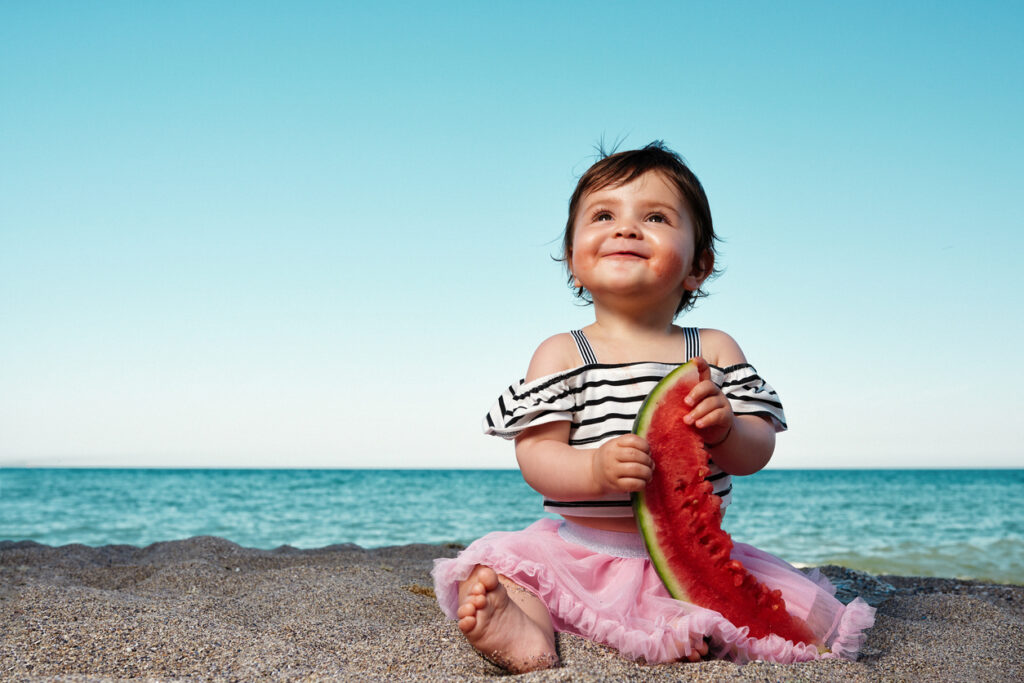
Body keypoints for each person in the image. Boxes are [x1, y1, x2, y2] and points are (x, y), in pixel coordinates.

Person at [431, 142, 875, 672]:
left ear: (698, 267)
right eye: (603, 215)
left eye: (656, 217)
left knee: (792, 614)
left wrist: (728, 428)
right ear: (574, 262)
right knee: (505, 573)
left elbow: (757, 450)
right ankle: (525, 634)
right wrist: (594, 468)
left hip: (697, 556)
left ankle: (681, 632)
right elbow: (537, 458)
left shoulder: (712, 350)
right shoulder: (563, 353)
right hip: (577, 552)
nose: (625, 228)